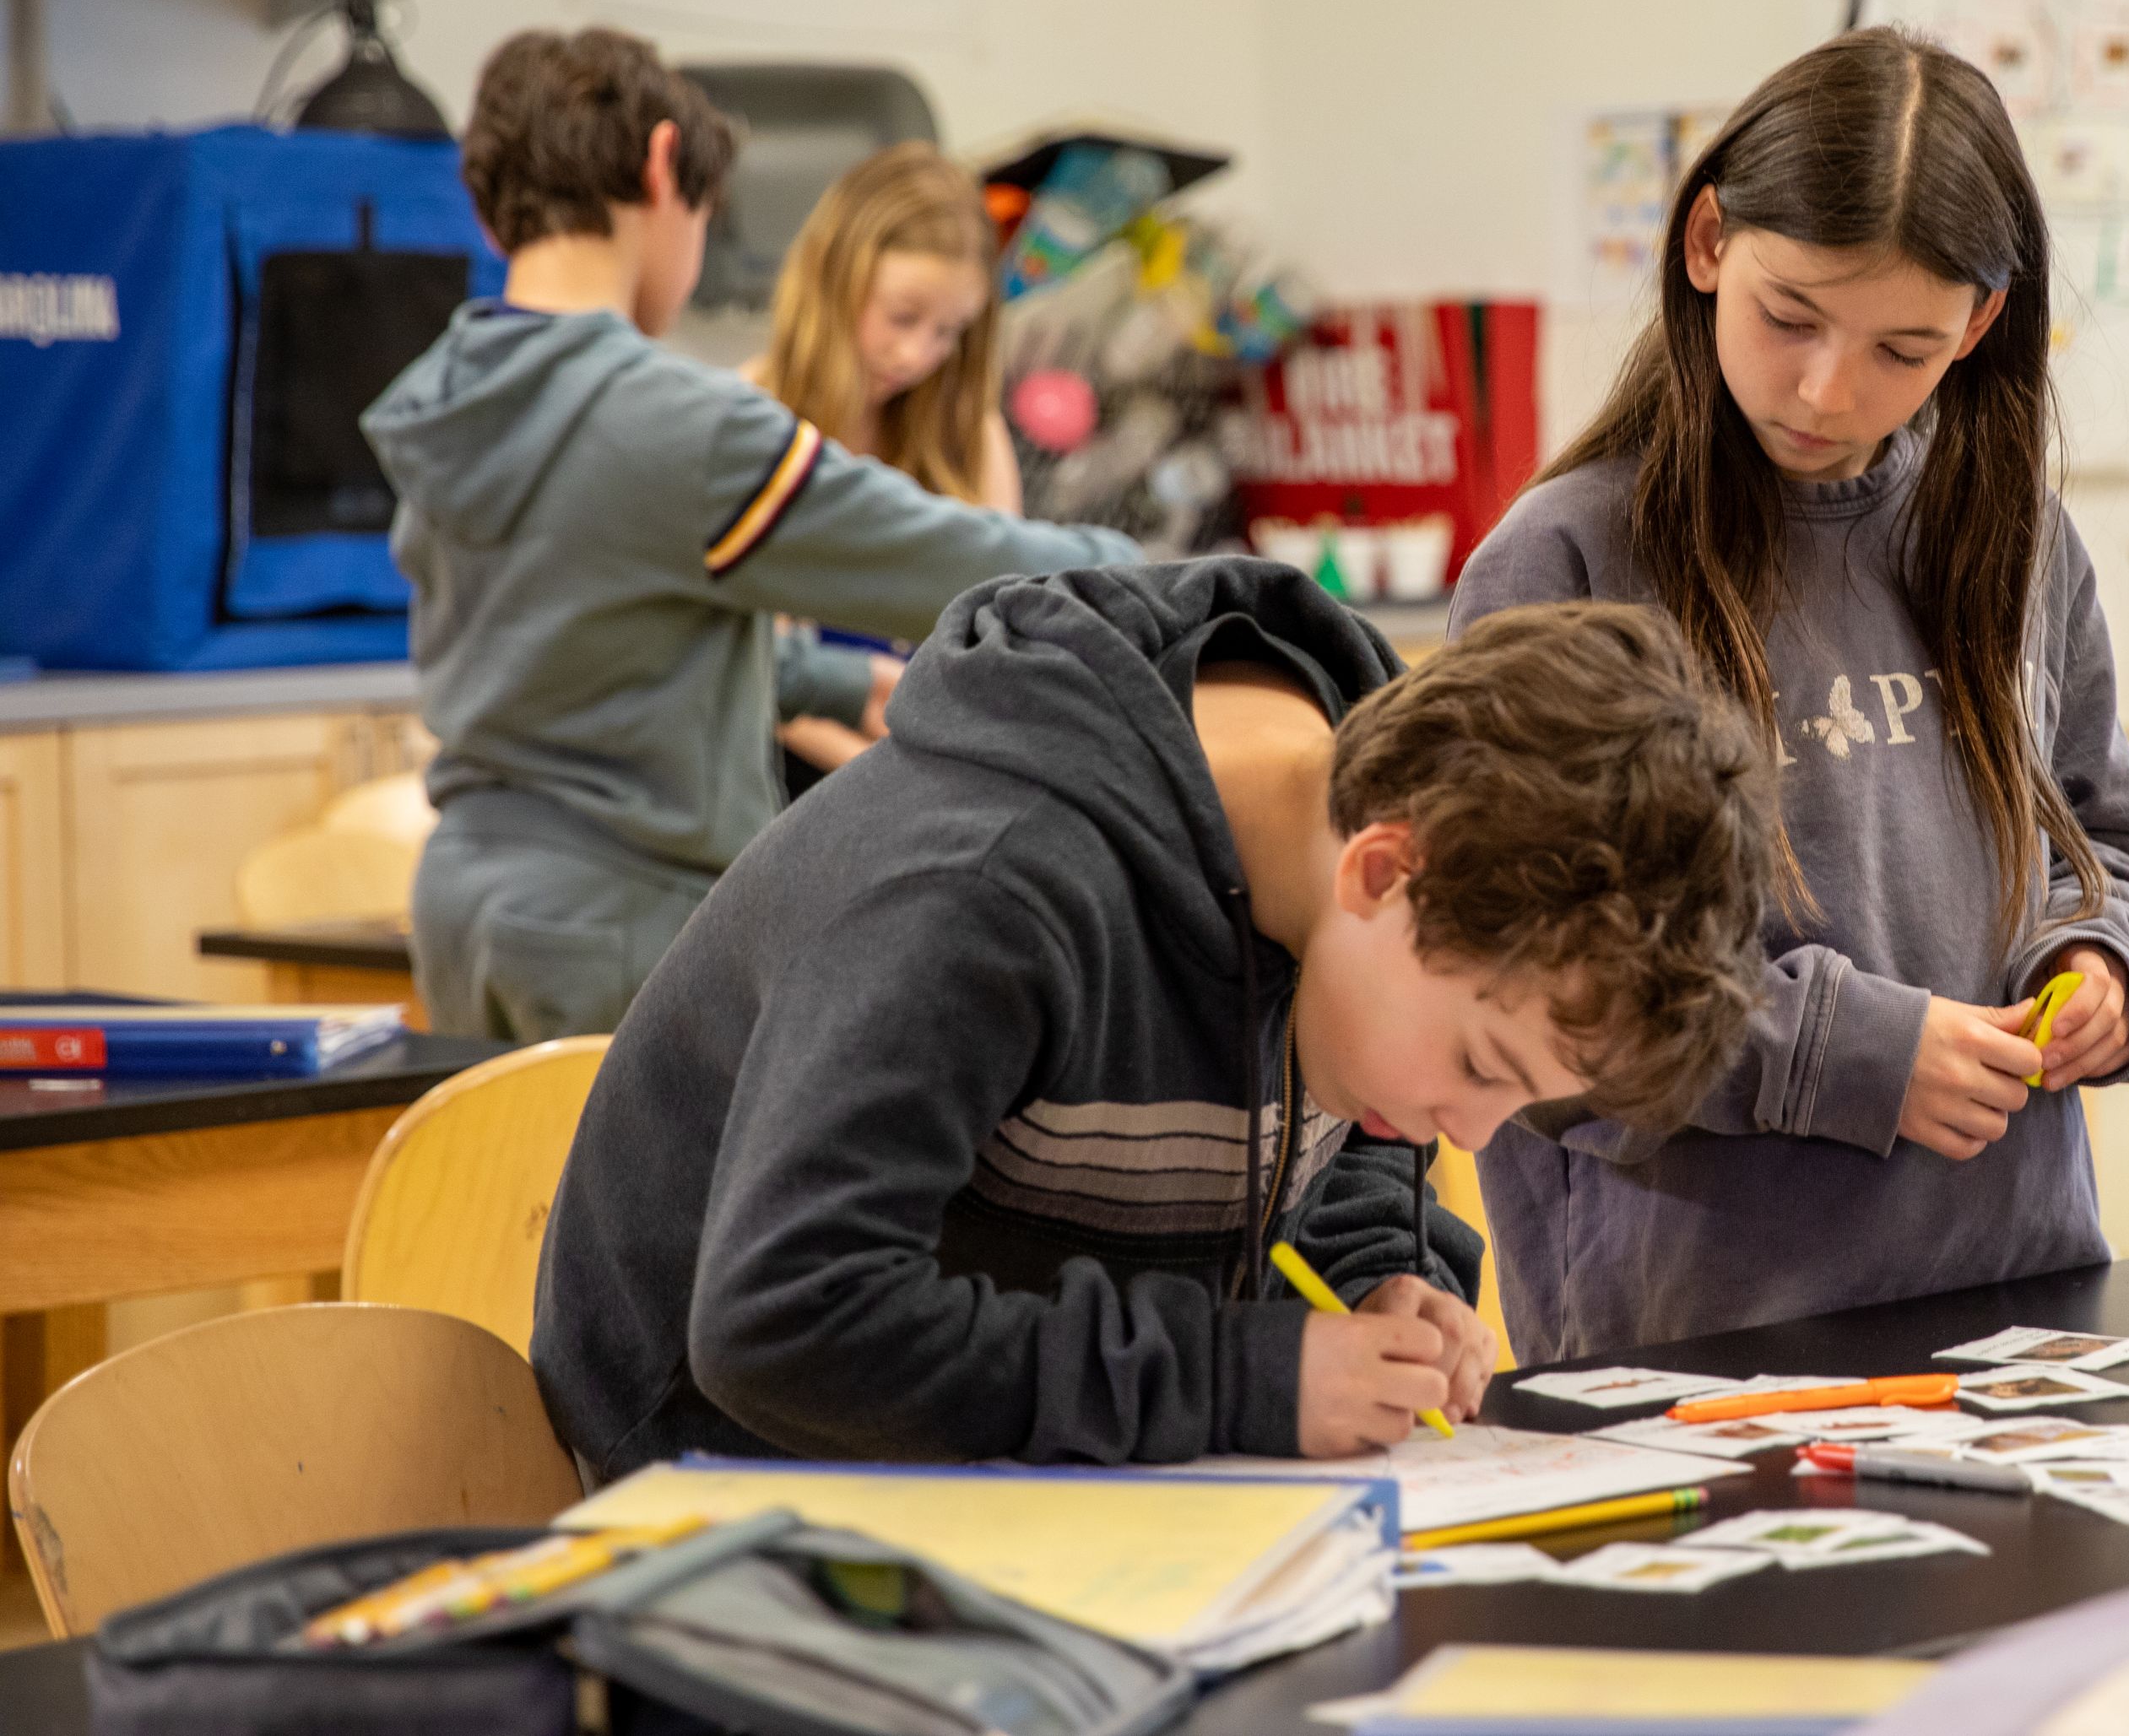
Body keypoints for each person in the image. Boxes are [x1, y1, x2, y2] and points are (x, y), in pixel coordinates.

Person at [531, 568, 1778, 1480]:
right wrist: (1241, 1377)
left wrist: (1368, 1295)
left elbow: (1331, 1143)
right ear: (1384, 870)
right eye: (1479, 1064)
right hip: (734, 1503)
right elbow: (778, 1324)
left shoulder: (1363, 889)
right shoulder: (984, 891)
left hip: (1051, 1490)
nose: (1473, 1130)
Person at [1449, 26, 2129, 1362]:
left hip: (2021, 1308)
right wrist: (1845, 1054)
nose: (1830, 389)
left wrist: (2107, 965)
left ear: (1979, 325)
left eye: (1903, 347)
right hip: (1701, 1342)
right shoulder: (1567, 560)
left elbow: (2103, 843)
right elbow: (1522, 975)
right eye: (1790, 318)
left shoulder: (2019, 539)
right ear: (1708, 242)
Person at [364, 28, 1139, 1041]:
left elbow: (581, 637)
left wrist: (831, 680)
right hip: (625, 919)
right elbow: (962, 563)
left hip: (465, 903)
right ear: (661, 165)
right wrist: (1159, 580)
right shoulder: (680, 423)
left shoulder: (454, 396)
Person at [739, 141, 1022, 776]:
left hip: (930, 771)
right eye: (902, 317)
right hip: (791, 772)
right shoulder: (748, 416)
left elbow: (996, 653)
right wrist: (891, 788)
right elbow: (757, 678)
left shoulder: (972, 437)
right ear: (833, 281)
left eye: (949, 332)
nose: (917, 355)